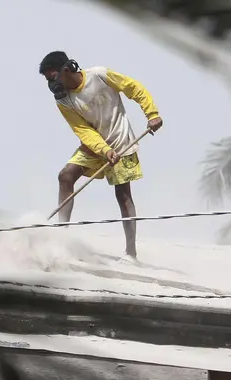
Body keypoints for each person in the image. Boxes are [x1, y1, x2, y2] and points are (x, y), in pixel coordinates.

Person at [38, 51, 163, 263]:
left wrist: (151, 114)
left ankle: (131, 253)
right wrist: (104, 150)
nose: (51, 83)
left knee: (123, 196)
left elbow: (133, 88)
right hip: (94, 147)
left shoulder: (99, 75)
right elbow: (83, 130)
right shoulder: (63, 101)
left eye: (53, 77)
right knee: (65, 176)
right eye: (48, 80)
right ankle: (61, 238)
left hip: (122, 142)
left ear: (66, 70)